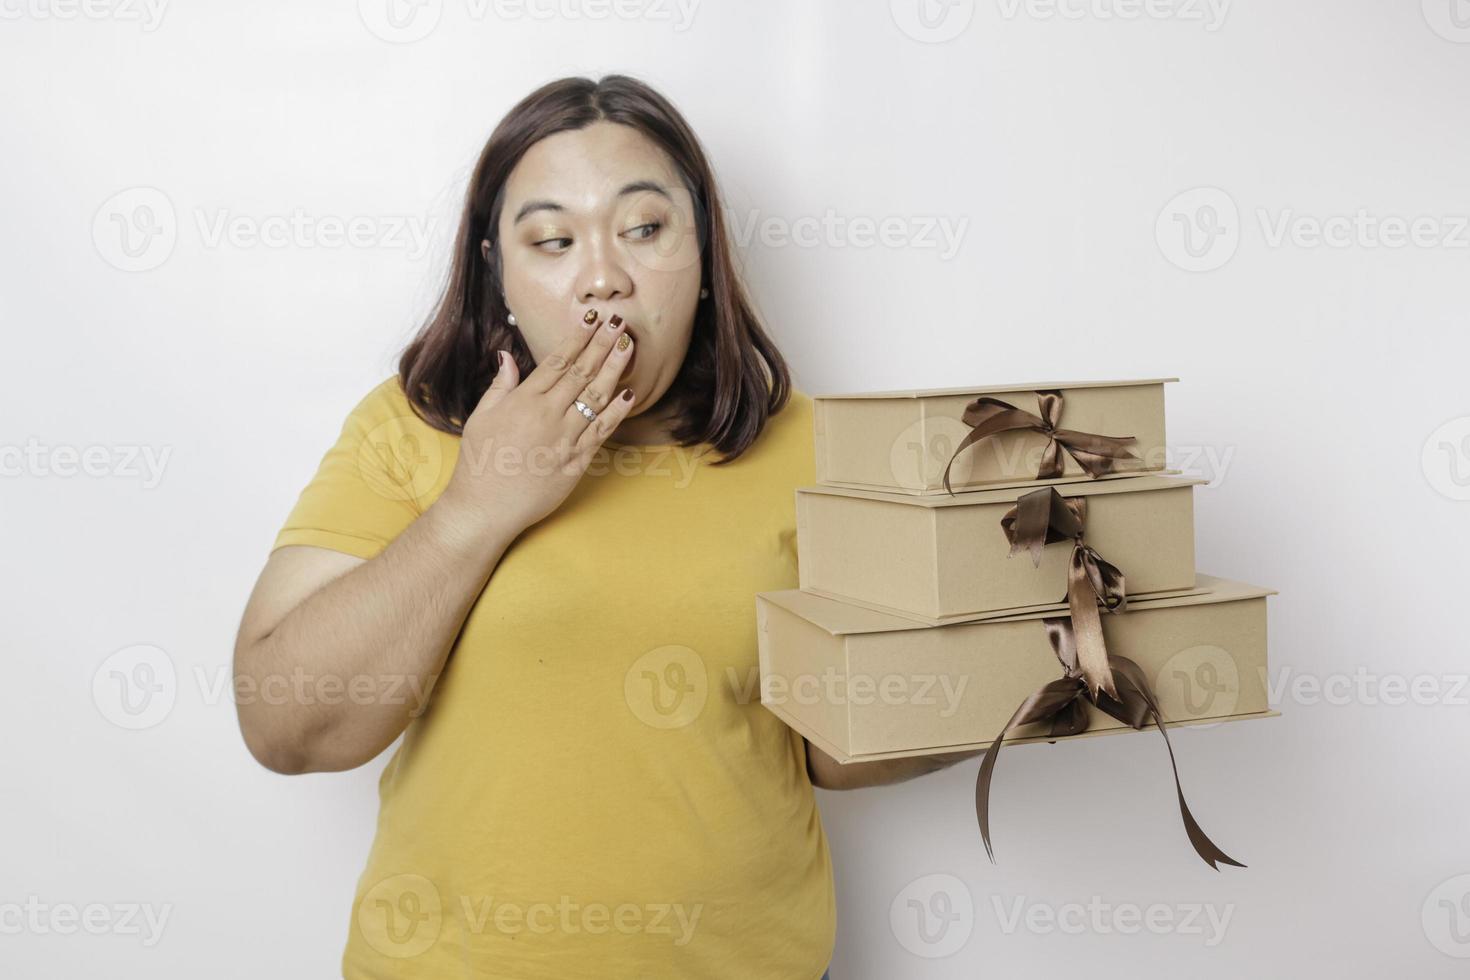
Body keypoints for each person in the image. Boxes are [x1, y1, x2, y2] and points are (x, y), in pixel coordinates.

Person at [233, 73, 979, 980]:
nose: (602, 277)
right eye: (551, 239)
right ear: (497, 275)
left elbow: (837, 753)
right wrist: (482, 504)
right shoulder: (411, 426)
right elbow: (284, 729)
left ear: (704, 257)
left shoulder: (810, 446)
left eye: (645, 229)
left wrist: (1018, 667)